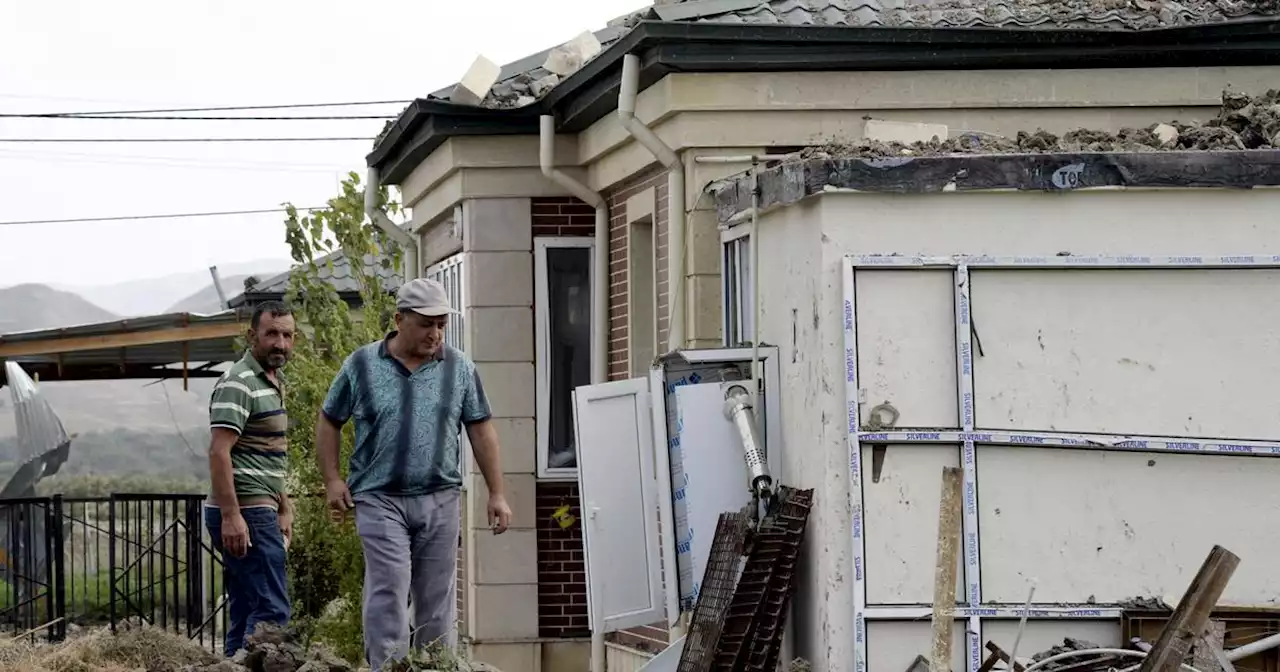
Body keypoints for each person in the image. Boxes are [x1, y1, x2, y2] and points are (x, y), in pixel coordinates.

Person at [316, 278, 512, 671]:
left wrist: (497, 493)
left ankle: (435, 665)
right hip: (378, 497)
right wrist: (333, 479)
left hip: (440, 497)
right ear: (399, 319)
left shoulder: (458, 367)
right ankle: (388, 667)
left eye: (441, 324)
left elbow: (481, 429)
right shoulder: (361, 365)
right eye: (426, 324)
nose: (435, 333)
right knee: (389, 587)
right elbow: (328, 419)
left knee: (436, 597)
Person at [205, 300, 296, 656]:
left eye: (287, 335)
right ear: (251, 335)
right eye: (271, 333)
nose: (280, 343)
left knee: (246, 609)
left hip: (261, 509)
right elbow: (218, 451)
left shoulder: (271, 381)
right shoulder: (239, 383)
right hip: (245, 511)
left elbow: (272, 452)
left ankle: (231, 665)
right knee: (272, 611)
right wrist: (231, 516)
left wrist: (284, 506)